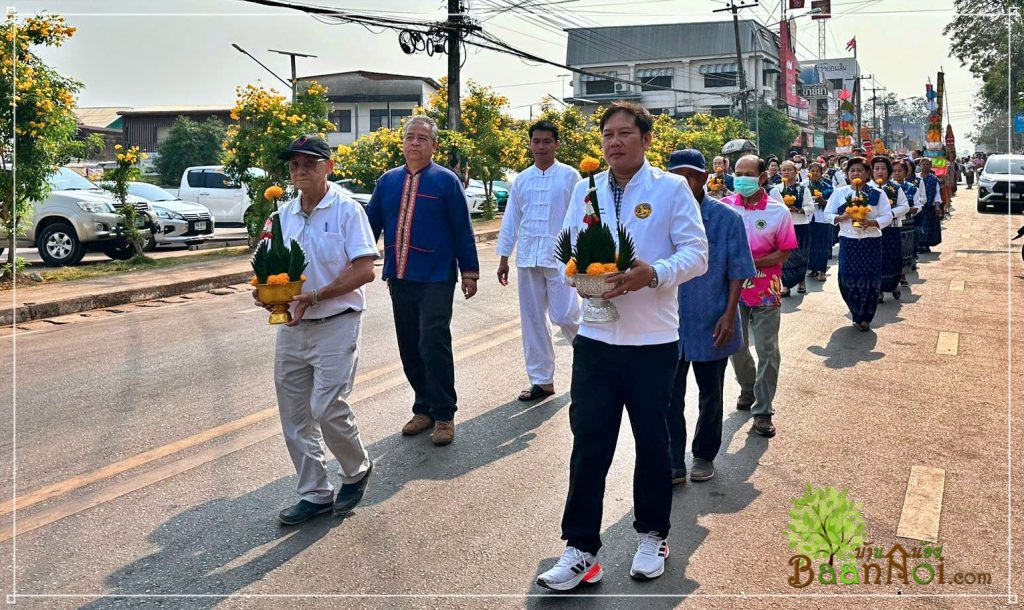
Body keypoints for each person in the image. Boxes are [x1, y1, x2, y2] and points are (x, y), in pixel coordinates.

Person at [536, 102, 708, 591]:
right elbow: (568, 245)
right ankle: (581, 550)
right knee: (589, 442)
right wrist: (575, 277)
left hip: (652, 342)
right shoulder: (585, 189)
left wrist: (651, 274)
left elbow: (697, 255)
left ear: (646, 140)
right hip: (595, 339)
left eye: (625, 133)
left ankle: (653, 534)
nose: (614, 142)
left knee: (653, 443)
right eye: (608, 134)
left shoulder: (671, 189)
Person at [256, 134, 377, 525]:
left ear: (329, 166)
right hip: (291, 326)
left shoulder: (346, 210)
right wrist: (266, 293)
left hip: (336, 323)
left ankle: (356, 468)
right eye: (294, 164)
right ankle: (315, 492)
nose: (300, 169)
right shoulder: (280, 216)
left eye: (309, 162)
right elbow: (262, 266)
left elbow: (364, 269)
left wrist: (317, 296)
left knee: (326, 407)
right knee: (293, 415)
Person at [366, 116, 480, 446]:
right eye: (409, 137)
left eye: (422, 138)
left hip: (437, 276)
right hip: (399, 276)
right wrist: (353, 261)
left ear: (434, 145)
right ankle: (423, 408)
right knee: (409, 345)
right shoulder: (387, 181)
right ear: (402, 143)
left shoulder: (446, 181)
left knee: (433, 341)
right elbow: (368, 228)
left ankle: (444, 414)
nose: (414, 143)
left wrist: (469, 272)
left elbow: (462, 230)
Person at [666, 149, 755, 484]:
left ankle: (704, 455)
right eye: (676, 176)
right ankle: (674, 461)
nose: (683, 183)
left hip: (712, 317)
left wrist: (729, 315)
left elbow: (738, 272)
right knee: (669, 396)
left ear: (704, 178)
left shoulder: (725, 218)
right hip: (668, 323)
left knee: (710, 394)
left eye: (690, 176)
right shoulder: (660, 216)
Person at [496, 120, 581, 401]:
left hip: (562, 259)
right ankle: (542, 380)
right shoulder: (521, 179)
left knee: (565, 315)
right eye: (537, 141)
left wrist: (583, 255)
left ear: (557, 144)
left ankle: (592, 362)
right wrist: (503, 257)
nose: (541, 146)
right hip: (528, 256)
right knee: (532, 320)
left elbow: (583, 216)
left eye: (547, 141)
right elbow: (511, 220)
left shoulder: (571, 177)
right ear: (530, 144)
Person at [721, 155, 797, 438]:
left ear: (762, 177)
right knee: (734, 345)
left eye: (748, 174)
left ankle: (763, 410)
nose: (741, 179)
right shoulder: (724, 207)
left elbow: (784, 251)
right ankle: (748, 386)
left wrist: (751, 264)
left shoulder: (778, 212)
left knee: (768, 349)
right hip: (732, 289)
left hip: (767, 289)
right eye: (738, 173)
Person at [825, 156, 893, 332]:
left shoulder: (877, 193)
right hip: (848, 241)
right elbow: (827, 213)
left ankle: (865, 317)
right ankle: (855, 309)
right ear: (847, 174)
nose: (856, 173)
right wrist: (839, 218)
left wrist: (872, 223)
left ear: (868, 173)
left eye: (860, 170)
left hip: (871, 241)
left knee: (870, 279)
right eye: (852, 170)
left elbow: (887, 216)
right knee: (846, 277)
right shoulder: (840, 193)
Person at [770, 160, 815, 297]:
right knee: (785, 256)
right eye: (783, 170)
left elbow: (810, 207)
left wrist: (799, 209)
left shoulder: (803, 189)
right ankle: (786, 285)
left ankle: (801, 281)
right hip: (784, 226)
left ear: (796, 172)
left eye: (789, 169)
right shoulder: (775, 189)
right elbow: (772, 207)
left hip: (800, 225)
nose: (786, 172)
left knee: (801, 255)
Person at [871, 156, 910, 302]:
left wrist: (890, 214)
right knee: (876, 260)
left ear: (888, 171)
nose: (879, 172)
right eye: (876, 168)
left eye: (883, 168)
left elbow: (904, 206)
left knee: (892, 259)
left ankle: (893, 285)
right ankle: (879, 289)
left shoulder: (895, 188)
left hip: (892, 228)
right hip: (873, 230)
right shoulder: (867, 188)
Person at [892, 158, 921, 285]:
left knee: (905, 251)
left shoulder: (912, 188)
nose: (897, 173)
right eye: (895, 171)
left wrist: (910, 209)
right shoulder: (887, 187)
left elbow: (918, 205)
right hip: (890, 224)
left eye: (900, 170)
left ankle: (902, 275)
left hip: (907, 224)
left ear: (906, 172)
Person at [805, 162, 835, 280]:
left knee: (822, 244)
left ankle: (822, 270)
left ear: (822, 173)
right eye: (812, 171)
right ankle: (812, 269)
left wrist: (823, 201)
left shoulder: (827, 185)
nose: (815, 173)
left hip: (822, 218)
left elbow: (832, 203)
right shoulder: (804, 185)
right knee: (811, 244)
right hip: (809, 218)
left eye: (817, 171)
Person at [915, 157, 943, 253]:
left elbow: (937, 194)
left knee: (928, 226)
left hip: (929, 207)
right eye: (923, 164)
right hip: (917, 207)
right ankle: (918, 245)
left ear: (931, 166)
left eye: (927, 164)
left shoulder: (934, 179)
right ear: (920, 165)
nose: (925, 166)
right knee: (919, 226)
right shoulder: (915, 178)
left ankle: (925, 245)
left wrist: (937, 206)